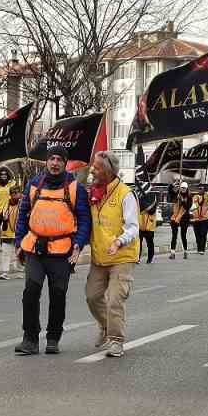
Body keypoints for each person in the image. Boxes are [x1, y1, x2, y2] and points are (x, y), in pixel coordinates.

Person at [13, 153, 92, 355]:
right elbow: (23, 215)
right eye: (52, 159)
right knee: (30, 292)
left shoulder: (76, 188)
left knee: (58, 294)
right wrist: (19, 242)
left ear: (65, 163)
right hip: (35, 248)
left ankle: (53, 338)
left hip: (62, 251)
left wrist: (78, 245)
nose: (55, 163)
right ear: (46, 161)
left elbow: (84, 220)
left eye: (59, 160)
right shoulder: (33, 184)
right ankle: (29, 339)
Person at [85, 151, 140, 357]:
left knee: (115, 299)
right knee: (92, 296)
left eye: (97, 167)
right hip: (100, 256)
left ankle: (116, 340)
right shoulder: (93, 193)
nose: (92, 170)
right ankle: (106, 326)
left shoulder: (125, 194)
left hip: (122, 255)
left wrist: (119, 241)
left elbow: (134, 227)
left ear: (108, 170)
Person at [0, 183, 22, 280]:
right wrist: (4, 218)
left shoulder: (22, 204)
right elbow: (2, 218)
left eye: (17, 192)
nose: (15, 194)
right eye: (13, 193)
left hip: (19, 233)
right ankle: (5, 272)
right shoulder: (6, 204)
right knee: (6, 253)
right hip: (7, 233)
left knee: (19, 253)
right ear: (10, 194)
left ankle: (20, 271)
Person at [169, 180, 191, 259]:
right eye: (182, 188)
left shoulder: (189, 197)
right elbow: (170, 192)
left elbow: (187, 207)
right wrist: (172, 185)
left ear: (187, 189)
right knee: (174, 236)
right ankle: (172, 253)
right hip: (175, 218)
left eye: (184, 188)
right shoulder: (177, 195)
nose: (183, 189)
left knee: (183, 235)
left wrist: (182, 201)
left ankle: (185, 251)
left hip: (184, 218)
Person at [0, 167, 14, 240]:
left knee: (5, 226)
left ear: (7, 175)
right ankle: (0, 241)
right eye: (1, 174)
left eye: (5, 174)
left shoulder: (11, 184)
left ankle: (4, 241)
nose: (3, 176)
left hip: (7, 208)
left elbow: (14, 194)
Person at [138, 191, 159, 264]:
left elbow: (151, 211)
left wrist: (144, 203)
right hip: (140, 225)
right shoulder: (140, 197)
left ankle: (150, 258)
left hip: (150, 226)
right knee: (138, 243)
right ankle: (137, 258)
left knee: (150, 243)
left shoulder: (153, 198)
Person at [191, 188, 208, 254]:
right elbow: (191, 206)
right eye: (200, 189)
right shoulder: (195, 197)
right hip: (196, 219)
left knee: (203, 234)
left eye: (202, 189)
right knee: (197, 235)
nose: (200, 190)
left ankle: (202, 249)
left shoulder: (207, 197)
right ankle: (199, 248)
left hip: (205, 219)